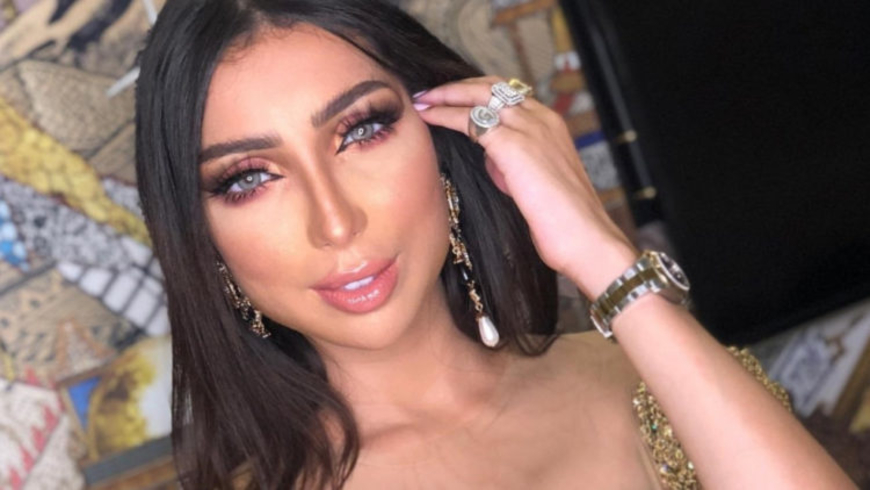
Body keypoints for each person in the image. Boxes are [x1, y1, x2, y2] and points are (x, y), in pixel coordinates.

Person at [134, 1, 855, 488]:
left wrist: (598, 252)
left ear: (444, 137)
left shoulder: (640, 381)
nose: (336, 222)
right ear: (201, 239)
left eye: (361, 131)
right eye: (249, 178)